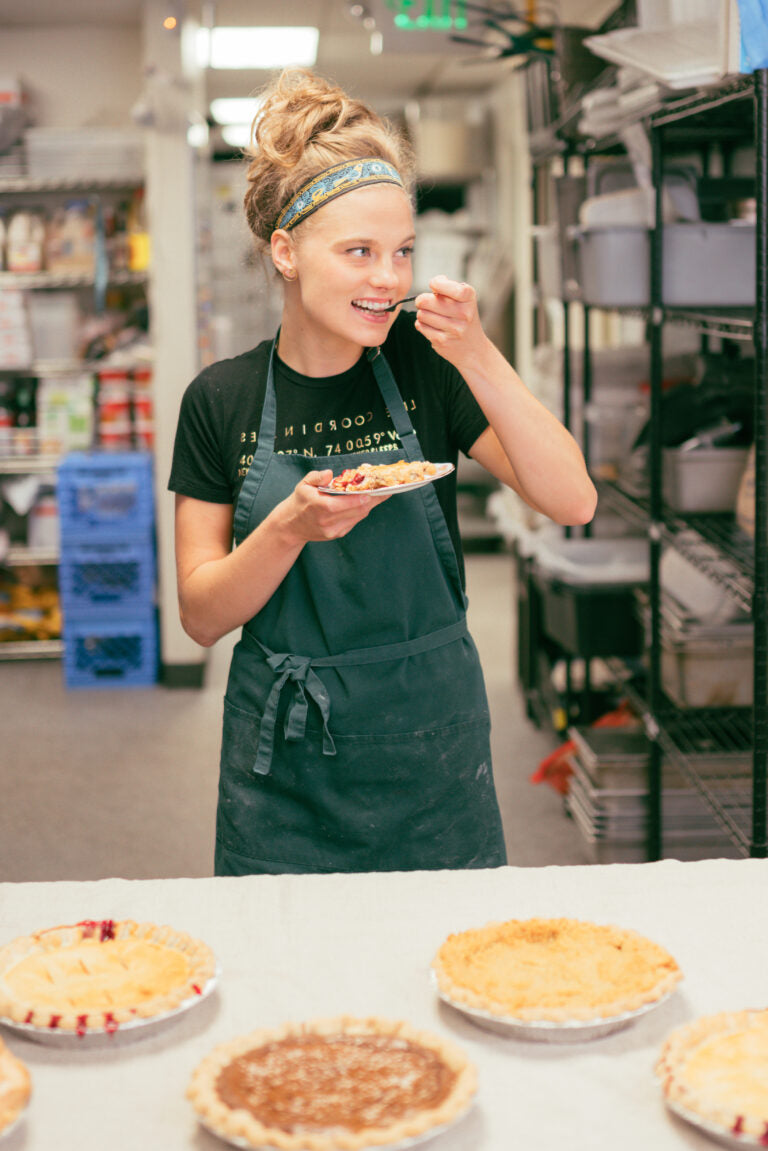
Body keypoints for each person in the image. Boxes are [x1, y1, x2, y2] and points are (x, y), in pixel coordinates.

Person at [168, 68, 597, 876]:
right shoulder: (219, 400)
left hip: (434, 749)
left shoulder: (425, 370)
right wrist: (290, 526)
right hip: (285, 764)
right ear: (287, 252)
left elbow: (572, 499)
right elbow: (199, 614)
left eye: (402, 252)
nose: (388, 279)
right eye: (359, 251)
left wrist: (477, 353)